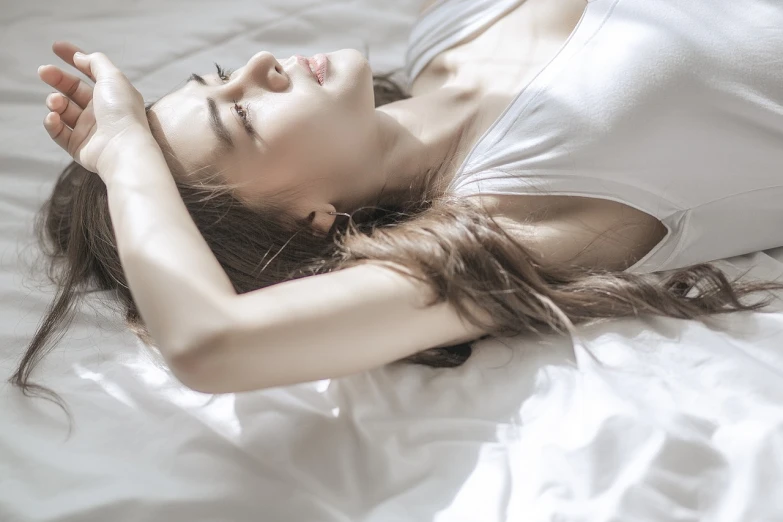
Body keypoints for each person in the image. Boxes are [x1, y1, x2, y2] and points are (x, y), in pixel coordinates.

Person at [12, 0, 783, 405]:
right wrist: (122, 152)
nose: (256, 67)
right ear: (312, 219)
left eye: (220, 75)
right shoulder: (508, 216)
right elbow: (213, 345)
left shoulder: (447, 25)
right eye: (241, 116)